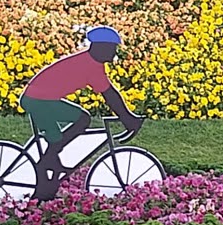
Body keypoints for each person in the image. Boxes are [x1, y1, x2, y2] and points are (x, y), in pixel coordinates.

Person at [20, 26, 142, 201]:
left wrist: (127, 118)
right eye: (112, 48)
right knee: (66, 131)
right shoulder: (90, 66)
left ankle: (49, 166)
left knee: (78, 123)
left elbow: (110, 94)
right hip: (38, 101)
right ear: (101, 47)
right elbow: (110, 95)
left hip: (40, 98)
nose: (114, 53)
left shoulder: (91, 63)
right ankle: (46, 164)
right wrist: (128, 119)